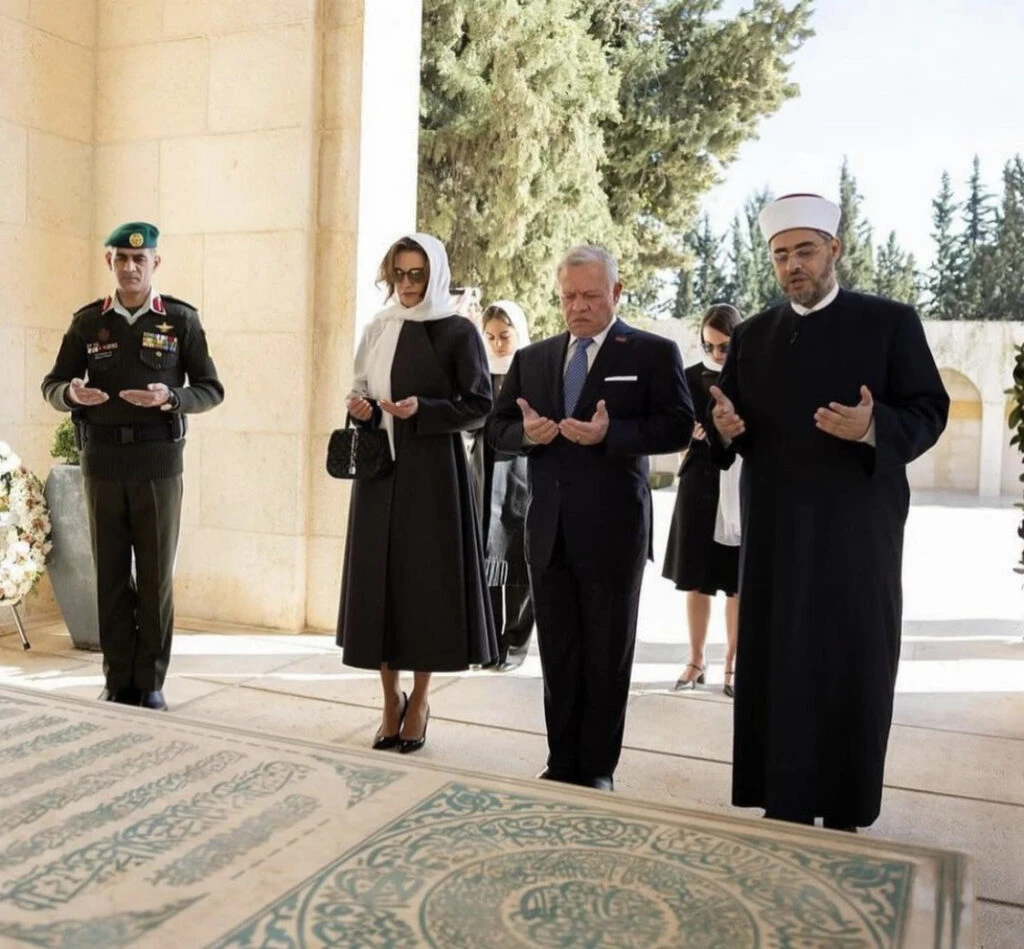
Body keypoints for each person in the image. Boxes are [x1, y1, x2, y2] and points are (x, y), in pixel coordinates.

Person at [707, 194, 949, 831]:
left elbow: (929, 410)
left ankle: (844, 804)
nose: (794, 266)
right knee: (781, 659)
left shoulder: (890, 323)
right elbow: (728, 424)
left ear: (835, 250)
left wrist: (875, 426)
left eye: (805, 251)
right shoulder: (754, 335)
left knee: (851, 657)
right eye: (781, 255)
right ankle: (783, 797)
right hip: (778, 534)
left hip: (855, 534)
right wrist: (727, 427)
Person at [487, 246, 693, 791]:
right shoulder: (534, 359)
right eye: (569, 297)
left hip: (614, 532)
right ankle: (562, 760)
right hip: (548, 531)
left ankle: (597, 766)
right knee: (559, 652)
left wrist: (613, 436)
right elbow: (498, 428)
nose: (578, 307)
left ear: (616, 293)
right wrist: (524, 436)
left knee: (606, 652)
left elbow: (677, 425)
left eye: (591, 296)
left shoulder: (651, 352)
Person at [41, 221, 224, 711]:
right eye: (121, 258)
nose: (129, 267)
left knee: (155, 578)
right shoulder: (87, 323)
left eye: (139, 260)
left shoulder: (180, 321)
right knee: (111, 577)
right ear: (109, 263)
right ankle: (117, 677)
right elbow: (54, 382)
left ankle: (151, 680)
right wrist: (70, 393)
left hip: (158, 465)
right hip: (101, 463)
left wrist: (173, 396)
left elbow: (210, 388)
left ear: (155, 263)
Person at [337, 233, 497, 754]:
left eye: (417, 275)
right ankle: (389, 701)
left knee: (424, 589)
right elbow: (362, 390)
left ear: (436, 277)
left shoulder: (457, 332)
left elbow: (479, 405)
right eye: (399, 274)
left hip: (432, 473)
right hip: (380, 473)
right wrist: (362, 407)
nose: (406, 285)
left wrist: (424, 411)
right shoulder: (379, 328)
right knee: (379, 584)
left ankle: (421, 701)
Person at [663, 303, 743, 697]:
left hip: (743, 484)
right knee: (695, 577)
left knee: (738, 581)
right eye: (708, 346)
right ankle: (696, 660)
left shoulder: (754, 377)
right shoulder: (690, 376)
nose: (715, 354)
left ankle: (734, 662)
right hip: (699, 484)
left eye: (724, 346)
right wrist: (689, 432)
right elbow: (678, 425)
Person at [468, 301, 534, 671]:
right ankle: (489, 644)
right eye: (490, 336)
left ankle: (516, 645)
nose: (496, 344)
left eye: (504, 336)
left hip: (522, 471)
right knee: (486, 556)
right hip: (483, 467)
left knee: (521, 560)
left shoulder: (532, 369)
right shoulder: (478, 371)